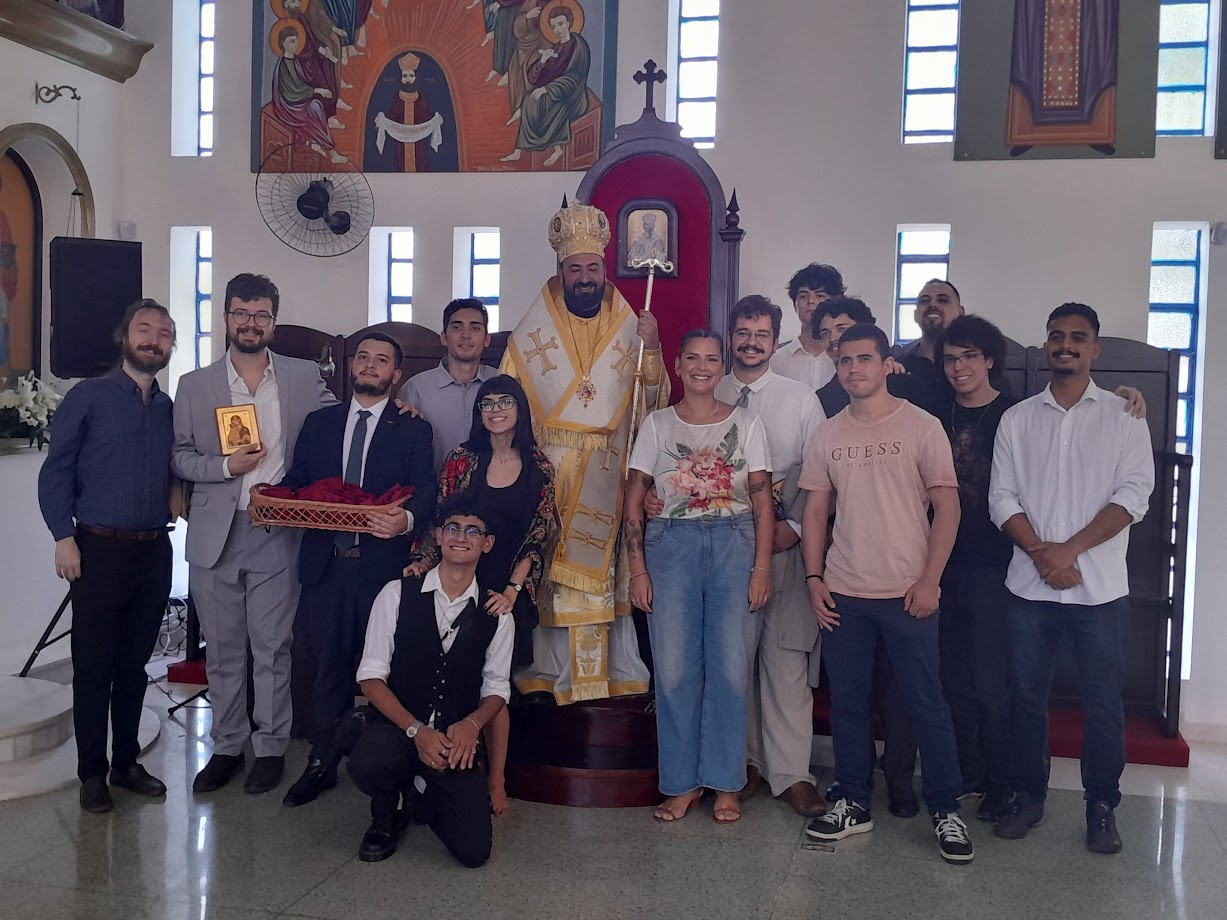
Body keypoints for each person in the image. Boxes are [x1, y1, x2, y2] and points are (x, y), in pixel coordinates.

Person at [800, 322, 973, 864]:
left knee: (926, 703)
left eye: (864, 359)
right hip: (845, 593)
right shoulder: (828, 433)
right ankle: (853, 801)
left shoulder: (921, 426)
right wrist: (813, 578)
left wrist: (930, 580)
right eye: (845, 361)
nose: (854, 369)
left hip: (907, 593)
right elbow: (815, 511)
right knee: (849, 705)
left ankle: (945, 808)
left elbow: (948, 507)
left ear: (885, 364)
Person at [990, 302, 1155, 854]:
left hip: (1099, 591)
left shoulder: (1124, 416)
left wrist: (1068, 551)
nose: (1066, 344)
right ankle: (1028, 796)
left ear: (1095, 349)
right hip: (1028, 588)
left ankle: (1101, 807)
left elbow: (1134, 497)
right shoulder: (1017, 419)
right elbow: (1001, 498)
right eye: (1057, 335)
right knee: (1025, 699)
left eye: (1078, 337)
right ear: (1046, 345)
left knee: (1104, 706)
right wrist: (1042, 555)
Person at [173, 273, 339, 796]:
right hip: (215, 531)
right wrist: (225, 466)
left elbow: (341, 423)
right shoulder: (194, 384)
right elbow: (179, 457)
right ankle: (227, 746)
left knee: (272, 646)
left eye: (261, 315)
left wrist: (398, 408)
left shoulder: (302, 376)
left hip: (277, 529)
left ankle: (269, 748)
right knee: (223, 650)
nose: (251, 323)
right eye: (241, 313)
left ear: (273, 320)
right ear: (226, 317)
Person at [501, 201, 668, 704]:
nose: (585, 278)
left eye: (592, 268)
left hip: (608, 474)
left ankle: (608, 676)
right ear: (562, 270)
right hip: (552, 472)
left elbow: (653, 403)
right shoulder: (531, 332)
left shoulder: (631, 324)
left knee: (600, 578)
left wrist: (654, 348)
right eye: (575, 269)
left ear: (603, 269)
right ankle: (551, 673)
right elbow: (509, 406)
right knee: (553, 575)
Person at [280, 332, 437, 808]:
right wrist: (269, 497)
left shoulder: (413, 429)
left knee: (390, 670)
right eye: (363, 357)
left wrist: (406, 520)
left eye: (381, 360)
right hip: (326, 569)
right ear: (351, 368)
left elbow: (426, 491)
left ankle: (390, 769)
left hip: (384, 571)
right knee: (327, 669)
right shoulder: (319, 423)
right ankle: (322, 762)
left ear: (396, 375)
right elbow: (297, 483)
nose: (370, 365)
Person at [625, 330, 774, 824]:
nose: (702, 367)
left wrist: (762, 568)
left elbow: (762, 502)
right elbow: (634, 498)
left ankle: (726, 783)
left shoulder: (747, 423)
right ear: (678, 364)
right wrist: (637, 569)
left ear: (722, 366)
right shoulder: (657, 424)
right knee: (673, 671)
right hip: (670, 546)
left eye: (712, 359)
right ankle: (682, 784)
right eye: (692, 357)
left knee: (731, 670)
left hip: (735, 544)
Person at [37, 300, 176, 814]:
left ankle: (126, 763)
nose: (154, 340)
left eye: (164, 333)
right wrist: (63, 536)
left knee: (135, 666)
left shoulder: (167, 407)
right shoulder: (88, 397)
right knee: (94, 667)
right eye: (145, 329)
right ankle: (92, 773)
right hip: (96, 549)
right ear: (125, 337)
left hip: (153, 551)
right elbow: (56, 472)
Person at [408, 374, 557, 815]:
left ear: (520, 409)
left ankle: (495, 781)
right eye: (487, 403)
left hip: (506, 591)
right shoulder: (462, 459)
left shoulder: (539, 466)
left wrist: (513, 590)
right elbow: (441, 518)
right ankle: (441, 768)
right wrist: (423, 561)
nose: (495, 410)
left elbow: (540, 533)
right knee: (447, 678)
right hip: (455, 581)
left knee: (496, 688)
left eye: (504, 402)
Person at [348, 495, 513, 866]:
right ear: (438, 536)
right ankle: (386, 813)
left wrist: (472, 725)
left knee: (473, 852)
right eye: (452, 527)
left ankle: (420, 794)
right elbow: (370, 678)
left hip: (454, 743)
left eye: (473, 531)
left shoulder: (498, 615)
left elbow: (497, 691)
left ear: (486, 544)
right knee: (370, 759)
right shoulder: (395, 594)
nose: (461, 537)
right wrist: (416, 731)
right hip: (400, 732)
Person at [715, 296, 829, 817]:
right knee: (732, 661)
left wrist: (795, 527)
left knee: (785, 660)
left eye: (761, 334)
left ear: (775, 339)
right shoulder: (710, 388)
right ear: (730, 336)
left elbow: (819, 471)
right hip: (724, 545)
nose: (751, 342)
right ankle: (743, 766)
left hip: (784, 541)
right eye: (743, 332)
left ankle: (792, 774)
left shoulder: (800, 398)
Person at [811, 294, 923, 816]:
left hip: (903, 568)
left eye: (847, 330)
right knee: (851, 692)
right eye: (831, 334)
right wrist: (816, 572)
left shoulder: (907, 394)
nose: (842, 343)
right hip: (846, 567)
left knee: (900, 691)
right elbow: (818, 500)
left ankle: (899, 780)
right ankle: (853, 786)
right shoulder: (823, 403)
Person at [934, 315, 1019, 822]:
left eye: (969, 356)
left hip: (996, 565)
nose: (959, 367)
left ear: (989, 360)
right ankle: (968, 770)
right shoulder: (934, 412)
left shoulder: (1016, 414)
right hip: (940, 562)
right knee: (953, 677)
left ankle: (1003, 781)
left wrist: (1126, 399)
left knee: (991, 679)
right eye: (950, 358)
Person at [398, 298, 496, 473]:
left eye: (475, 328)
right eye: (457, 327)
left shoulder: (501, 383)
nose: (466, 335)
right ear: (444, 337)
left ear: (487, 339)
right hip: (433, 488)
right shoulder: (415, 389)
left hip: (492, 488)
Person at [500, 5, 590, 167]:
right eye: (554, 26)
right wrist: (542, 61)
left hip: (570, 94)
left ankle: (551, 149)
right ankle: (521, 150)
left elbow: (575, 77)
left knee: (535, 103)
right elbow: (534, 77)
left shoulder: (578, 46)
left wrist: (548, 89)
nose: (557, 29)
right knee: (531, 100)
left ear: (569, 23)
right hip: (554, 90)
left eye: (560, 24)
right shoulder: (555, 48)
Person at [770, 262, 845, 391]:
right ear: (795, 305)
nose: (811, 301)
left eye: (820, 296)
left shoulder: (845, 357)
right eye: (803, 296)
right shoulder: (776, 360)